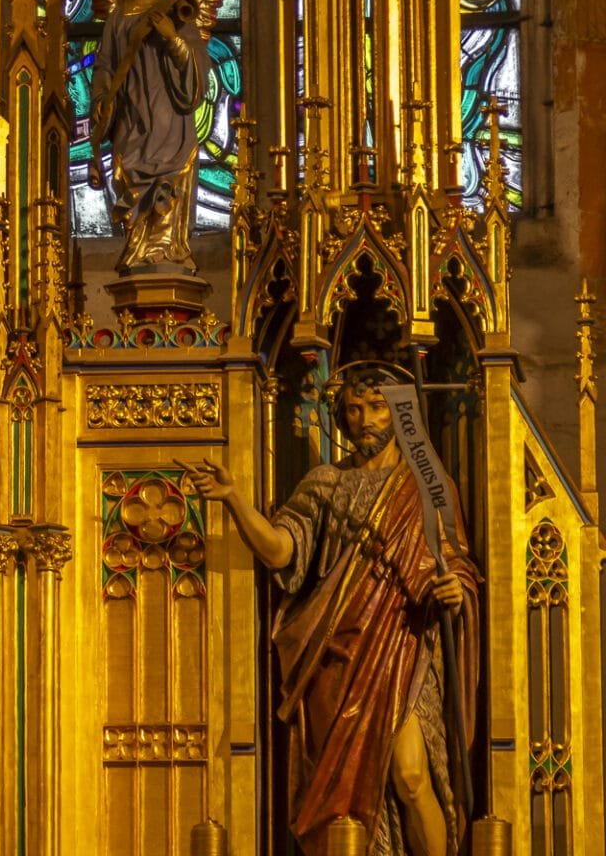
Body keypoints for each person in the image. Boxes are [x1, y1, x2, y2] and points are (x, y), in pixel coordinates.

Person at [194, 365, 480, 856]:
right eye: (353, 408)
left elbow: (454, 562)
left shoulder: (430, 485)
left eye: (376, 407)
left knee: (412, 775)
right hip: (335, 654)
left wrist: (455, 589)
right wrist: (235, 499)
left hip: (404, 645)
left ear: (400, 412)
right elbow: (282, 552)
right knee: (342, 801)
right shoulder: (324, 481)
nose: (364, 419)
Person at [89, 0, 209, 273]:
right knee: (129, 171)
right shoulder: (118, 16)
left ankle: (167, 249)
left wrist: (172, 39)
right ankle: (138, 248)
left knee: (169, 179)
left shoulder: (173, 10)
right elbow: (105, 65)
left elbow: (197, 62)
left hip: (168, 113)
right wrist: (102, 97)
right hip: (132, 113)